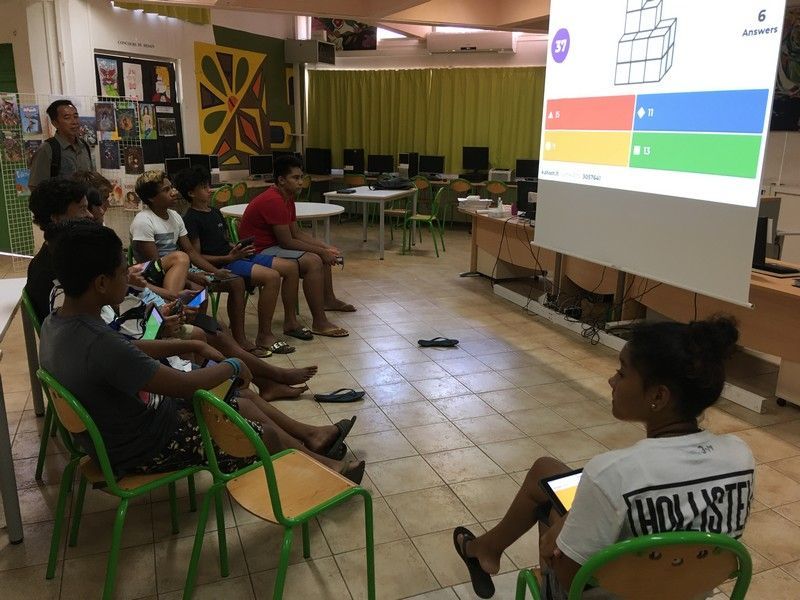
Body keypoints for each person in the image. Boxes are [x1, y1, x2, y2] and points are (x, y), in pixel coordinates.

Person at [38, 220, 364, 482]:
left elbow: (128, 347)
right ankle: (322, 473)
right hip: (146, 447)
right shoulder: (100, 343)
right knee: (262, 434)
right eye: (124, 272)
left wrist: (191, 343)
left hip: (123, 434)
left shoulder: (59, 322)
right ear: (100, 283)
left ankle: (316, 444)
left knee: (240, 400)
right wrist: (233, 366)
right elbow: (183, 386)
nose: (130, 278)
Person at [453, 316, 755, 599]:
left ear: (658, 396)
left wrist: (555, 538)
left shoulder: (611, 472)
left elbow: (572, 581)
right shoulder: (739, 456)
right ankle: (486, 549)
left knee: (549, 500)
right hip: (689, 592)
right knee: (546, 470)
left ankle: (484, 550)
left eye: (622, 373)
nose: (612, 381)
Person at [26, 177, 317, 401]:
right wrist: (156, 321)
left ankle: (265, 380)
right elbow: (106, 335)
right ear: (56, 218)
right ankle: (254, 382)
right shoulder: (59, 272)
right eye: (83, 209)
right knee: (203, 332)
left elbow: (111, 313)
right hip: (127, 349)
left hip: (130, 332)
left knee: (209, 324)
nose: (93, 215)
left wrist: (158, 305)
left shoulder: (67, 257)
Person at [175, 165, 301, 356]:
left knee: (290, 267)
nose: (209, 190)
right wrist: (227, 258)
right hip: (223, 263)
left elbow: (223, 242)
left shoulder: (215, 212)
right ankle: (264, 335)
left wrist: (238, 247)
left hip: (234, 256)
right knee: (272, 277)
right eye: (204, 187)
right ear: (191, 193)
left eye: (208, 185)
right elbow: (196, 256)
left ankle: (290, 323)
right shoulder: (191, 219)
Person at [130, 170, 254, 352]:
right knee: (196, 289)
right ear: (151, 198)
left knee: (230, 284)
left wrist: (214, 271)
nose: (173, 192)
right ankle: (181, 328)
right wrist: (192, 276)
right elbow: (155, 266)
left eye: (171, 187)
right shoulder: (143, 221)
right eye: (166, 190)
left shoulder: (174, 216)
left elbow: (190, 251)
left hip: (180, 269)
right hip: (154, 275)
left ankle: (228, 338)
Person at [239, 155, 352, 339]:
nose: (300, 182)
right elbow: (287, 242)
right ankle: (319, 322)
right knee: (314, 261)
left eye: (301, 177)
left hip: (272, 246)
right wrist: (321, 252)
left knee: (321, 255)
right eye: (296, 178)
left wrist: (326, 247)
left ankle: (328, 300)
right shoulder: (273, 200)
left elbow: (297, 233)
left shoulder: (287, 197)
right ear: (281, 180)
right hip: (256, 251)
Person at [29, 100, 94, 190]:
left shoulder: (84, 146)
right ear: (55, 123)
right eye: (67, 118)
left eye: (75, 116)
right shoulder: (47, 149)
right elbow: (35, 187)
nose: (74, 122)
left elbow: (91, 178)